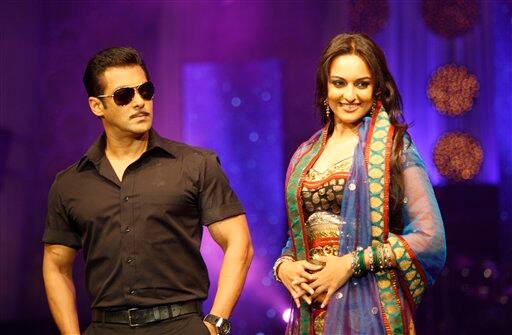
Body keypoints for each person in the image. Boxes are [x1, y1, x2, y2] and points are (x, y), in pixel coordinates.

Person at [42, 47, 253, 335]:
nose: (140, 102)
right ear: (96, 106)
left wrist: (216, 323)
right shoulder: (70, 183)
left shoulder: (195, 165)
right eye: (124, 95)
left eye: (146, 91)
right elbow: (56, 265)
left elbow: (239, 242)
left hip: (181, 326)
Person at [273, 33, 446, 334]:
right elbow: (298, 237)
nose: (350, 95)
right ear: (324, 87)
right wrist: (284, 266)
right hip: (311, 314)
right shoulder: (305, 155)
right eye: (339, 83)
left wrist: (350, 264)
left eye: (361, 84)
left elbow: (429, 238)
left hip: (368, 311)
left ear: (377, 88)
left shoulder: (394, 148)